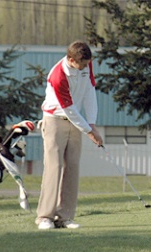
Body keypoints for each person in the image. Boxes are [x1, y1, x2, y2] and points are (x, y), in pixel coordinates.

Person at [36, 41, 103, 229]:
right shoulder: (58, 76)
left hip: (77, 120)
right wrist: (89, 132)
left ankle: (65, 216)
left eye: (87, 63)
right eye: (81, 64)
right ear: (71, 60)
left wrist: (92, 123)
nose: (85, 67)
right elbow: (69, 109)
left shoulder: (86, 64)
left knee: (72, 166)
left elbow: (90, 92)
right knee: (54, 167)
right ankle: (45, 217)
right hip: (55, 120)